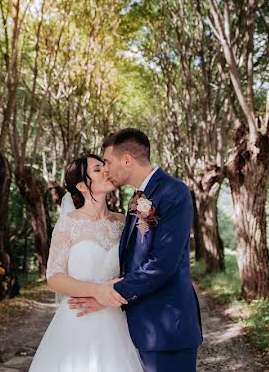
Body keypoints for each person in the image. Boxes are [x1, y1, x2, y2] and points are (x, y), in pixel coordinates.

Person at [69, 128, 203, 372]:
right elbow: (132, 260)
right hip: (140, 327)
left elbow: (162, 264)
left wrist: (110, 294)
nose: (106, 169)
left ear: (127, 160)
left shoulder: (173, 192)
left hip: (167, 329)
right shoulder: (138, 198)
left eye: (108, 162)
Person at [28, 153, 145, 372]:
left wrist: (114, 296)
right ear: (82, 186)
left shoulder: (124, 222)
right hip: (77, 320)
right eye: (98, 170)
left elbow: (136, 270)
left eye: (105, 166)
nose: (106, 172)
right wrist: (97, 290)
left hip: (117, 319)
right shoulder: (68, 224)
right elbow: (54, 277)